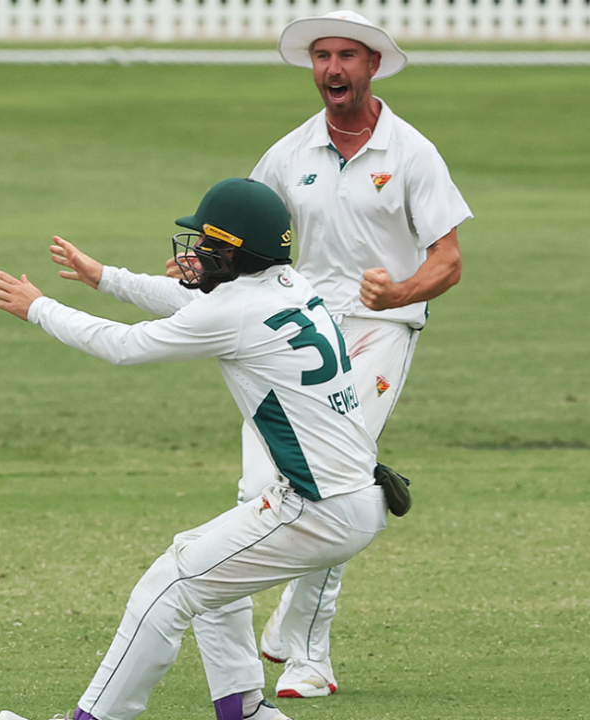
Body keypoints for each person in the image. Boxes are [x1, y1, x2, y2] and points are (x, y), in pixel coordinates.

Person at [0, 177, 390, 720]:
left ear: (237, 253)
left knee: (168, 585)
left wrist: (39, 308)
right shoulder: (288, 283)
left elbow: (125, 346)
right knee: (207, 577)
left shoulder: (233, 312)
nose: (195, 253)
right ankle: (244, 710)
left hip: (318, 509)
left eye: (208, 244)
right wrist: (106, 279)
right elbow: (194, 300)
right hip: (349, 498)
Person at [220, 11, 471, 699]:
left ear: (373, 66)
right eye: (322, 57)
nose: (333, 69)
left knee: (338, 480)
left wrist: (398, 295)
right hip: (299, 329)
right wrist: (205, 268)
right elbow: (248, 237)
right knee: (261, 485)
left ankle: (309, 655)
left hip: (379, 328)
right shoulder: (289, 153)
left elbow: (447, 262)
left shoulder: (411, 153)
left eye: (348, 57)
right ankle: (283, 636)